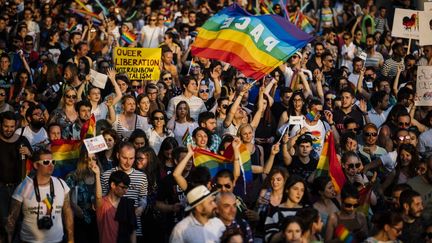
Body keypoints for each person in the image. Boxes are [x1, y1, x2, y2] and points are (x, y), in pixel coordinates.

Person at [6, 148, 74, 243]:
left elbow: (67, 211)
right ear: (36, 165)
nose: (51, 165)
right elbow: (12, 219)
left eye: (52, 162)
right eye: (46, 162)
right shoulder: (27, 187)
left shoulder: (61, 184)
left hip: (58, 241)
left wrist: (71, 239)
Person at [101, 142, 148, 241]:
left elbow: (143, 198)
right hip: (111, 228)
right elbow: (102, 199)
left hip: (134, 229)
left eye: (131, 158)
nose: (128, 162)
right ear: (118, 155)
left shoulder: (142, 177)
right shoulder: (106, 175)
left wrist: (141, 208)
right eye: (124, 158)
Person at [0, 111, 32, 241]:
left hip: (19, 189)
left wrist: (29, 152)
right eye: (6, 126)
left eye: (12, 127)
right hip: (1, 189)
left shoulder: (22, 140)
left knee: (18, 221)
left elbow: (35, 160)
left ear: (16, 125)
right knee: (3, 221)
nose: (9, 129)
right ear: (0, 125)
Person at [92, 165, 137, 243]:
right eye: (122, 187)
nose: (125, 191)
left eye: (127, 188)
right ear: (113, 185)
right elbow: (98, 197)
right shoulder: (103, 204)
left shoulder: (127, 204)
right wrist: (97, 175)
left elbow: (132, 231)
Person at [65, 151, 101, 243]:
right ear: (82, 160)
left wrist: (97, 176)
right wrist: (75, 207)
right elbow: (66, 199)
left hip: (96, 222)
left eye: (94, 159)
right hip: (78, 221)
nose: (91, 162)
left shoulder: (100, 175)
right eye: (88, 159)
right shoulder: (73, 176)